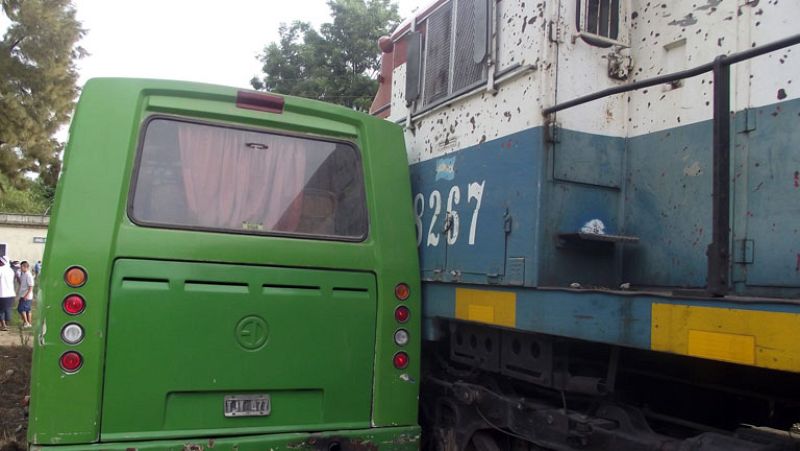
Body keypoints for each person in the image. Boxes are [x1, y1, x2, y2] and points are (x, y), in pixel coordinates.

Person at [0, 256, 16, 331]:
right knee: (7, 309)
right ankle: (6, 323)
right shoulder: (11, 270)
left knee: (1, 310)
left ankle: (3, 325)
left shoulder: (0, 269)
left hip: (2, 293)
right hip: (10, 294)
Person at [17, 261, 34, 328]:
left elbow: (31, 286)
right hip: (23, 294)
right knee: (27, 310)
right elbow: (21, 283)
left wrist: (26, 295)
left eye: (21, 267)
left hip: (26, 296)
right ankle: (29, 323)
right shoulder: (23, 274)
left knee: (21, 309)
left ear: (25, 267)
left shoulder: (28, 275)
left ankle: (26, 322)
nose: (20, 268)